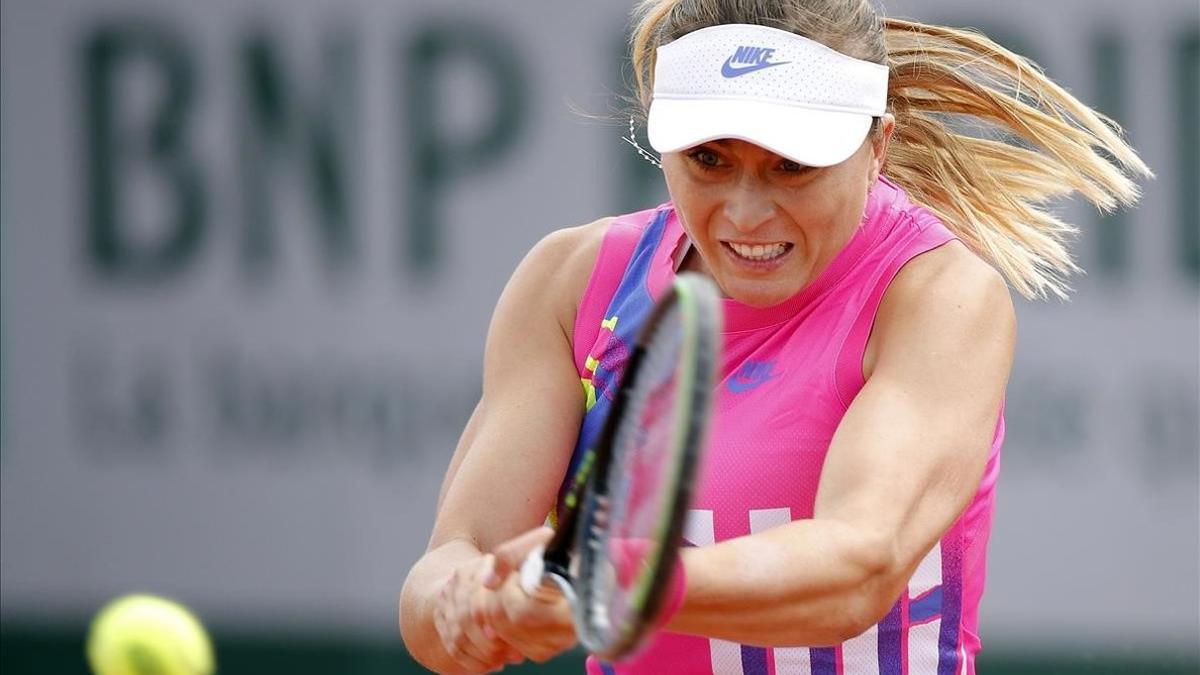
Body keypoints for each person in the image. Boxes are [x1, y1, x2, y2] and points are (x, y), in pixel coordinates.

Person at [399, 1, 1151, 673]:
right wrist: (469, 606)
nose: (746, 213)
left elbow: (858, 564)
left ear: (877, 146)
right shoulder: (571, 281)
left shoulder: (939, 296)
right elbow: (445, 566)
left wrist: (617, 578)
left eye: (792, 166)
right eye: (709, 160)